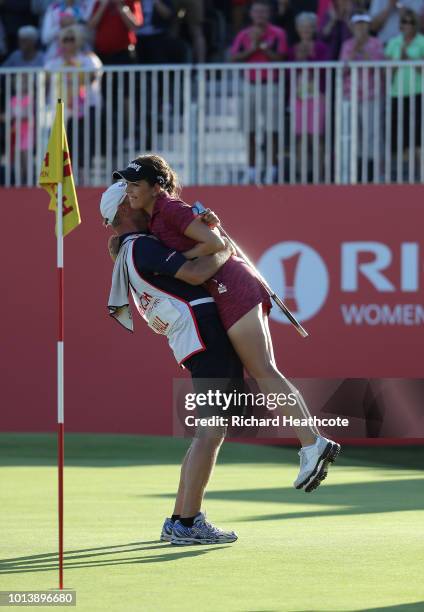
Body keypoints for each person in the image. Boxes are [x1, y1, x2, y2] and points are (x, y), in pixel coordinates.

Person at [113, 154, 341, 492]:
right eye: (127, 184)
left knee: (263, 368)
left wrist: (177, 259)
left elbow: (216, 244)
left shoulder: (170, 209)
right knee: (263, 369)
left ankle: (312, 443)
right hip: (225, 288)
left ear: (155, 186)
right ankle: (312, 443)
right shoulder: (157, 217)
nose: (129, 190)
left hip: (232, 285)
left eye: (135, 184)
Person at [100, 181, 240, 545]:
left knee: (207, 432)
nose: (143, 202)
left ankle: (179, 518)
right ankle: (188, 522)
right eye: (132, 197)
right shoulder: (141, 246)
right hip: (202, 334)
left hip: (193, 338)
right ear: (124, 211)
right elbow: (195, 274)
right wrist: (222, 247)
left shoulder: (133, 249)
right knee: (212, 431)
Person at [230, 0, 288, 183]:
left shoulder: (278, 34)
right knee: (250, 130)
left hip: (272, 85)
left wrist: (264, 48)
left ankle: (272, 169)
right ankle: (252, 170)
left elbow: (281, 58)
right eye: (257, 12)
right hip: (250, 84)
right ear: (251, 14)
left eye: (263, 12)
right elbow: (234, 58)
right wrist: (253, 48)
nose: (260, 15)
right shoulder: (244, 34)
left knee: (273, 130)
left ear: (269, 14)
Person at [44, 25, 102, 177]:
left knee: (83, 141)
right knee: (62, 143)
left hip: (85, 107)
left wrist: (74, 68)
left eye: (72, 39)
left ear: (78, 40)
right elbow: (46, 79)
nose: (69, 42)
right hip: (62, 109)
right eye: (65, 39)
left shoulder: (88, 59)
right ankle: (63, 175)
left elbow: (93, 76)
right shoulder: (54, 62)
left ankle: (83, 174)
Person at [339, 13, 384, 181]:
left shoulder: (376, 43)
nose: (361, 28)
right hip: (350, 96)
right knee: (350, 135)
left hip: (371, 95)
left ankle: (375, 173)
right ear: (352, 27)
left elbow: (378, 68)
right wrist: (353, 52)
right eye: (358, 25)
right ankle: (351, 173)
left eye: (364, 25)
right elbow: (342, 70)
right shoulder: (347, 45)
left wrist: (363, 51)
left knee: (372, 135)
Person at [288, 12, 329, 182]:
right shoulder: (293, 49)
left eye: (309, 27)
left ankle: (319, 175)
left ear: (314, 29)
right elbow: (289, 70)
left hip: (317, 97)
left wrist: (311, 56)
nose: (306, 30)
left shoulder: (320, 47)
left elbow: (325, 69)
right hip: (298, 98)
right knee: (301, 137)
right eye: (303, 27)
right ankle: (302, 175)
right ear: (297, 29)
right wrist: (299, 58)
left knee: (317, 137)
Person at [385, 7, 424, 167]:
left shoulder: (422, 41)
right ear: (400, 25)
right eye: (404, 22)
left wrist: (409, 59)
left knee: (418, 135)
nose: (407, 25)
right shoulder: (394, 42)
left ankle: (419, 173)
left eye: (410, 22)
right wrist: (400, 59)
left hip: (418, 92)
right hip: (397, 93)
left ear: (416, 24)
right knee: (400, 134)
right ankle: (403, 172)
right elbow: (388, 72)